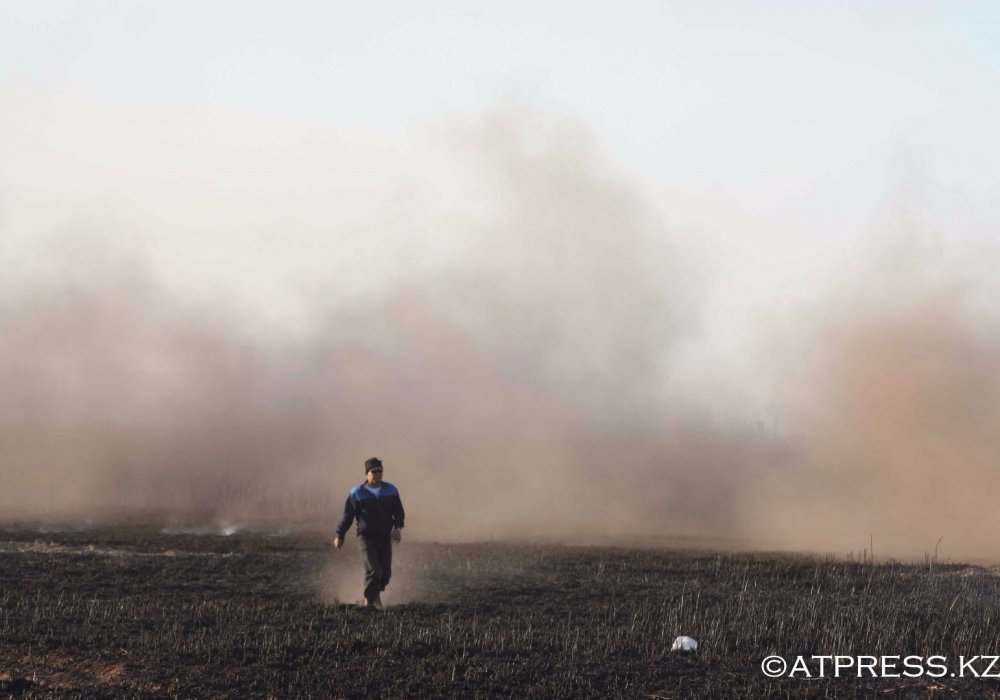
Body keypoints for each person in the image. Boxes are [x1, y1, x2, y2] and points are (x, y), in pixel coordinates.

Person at [333, 457, 404, 610]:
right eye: (374, 472)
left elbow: (398, 512)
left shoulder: (391, 490)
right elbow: (347, 516)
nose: (377, 474)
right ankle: (369, 602)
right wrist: (340, 535)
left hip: (384, 536)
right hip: (365, 537)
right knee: (373, 570)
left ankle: (375, 593)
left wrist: (397, 528)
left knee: (385, 574)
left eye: (380, 471)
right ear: (367, 473)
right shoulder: (357, 493)